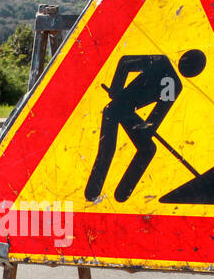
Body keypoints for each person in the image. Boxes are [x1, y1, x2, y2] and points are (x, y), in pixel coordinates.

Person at [84, 48, 206, 203]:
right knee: (108, 149)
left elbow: (156, 117)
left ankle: (122, 195)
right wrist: (116, 89)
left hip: (127, 113)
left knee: (148, 149)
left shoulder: (172, 80)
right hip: (115, 110)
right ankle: (92, 193)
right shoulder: (161, 63)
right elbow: (125, 62)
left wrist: (147, 129)